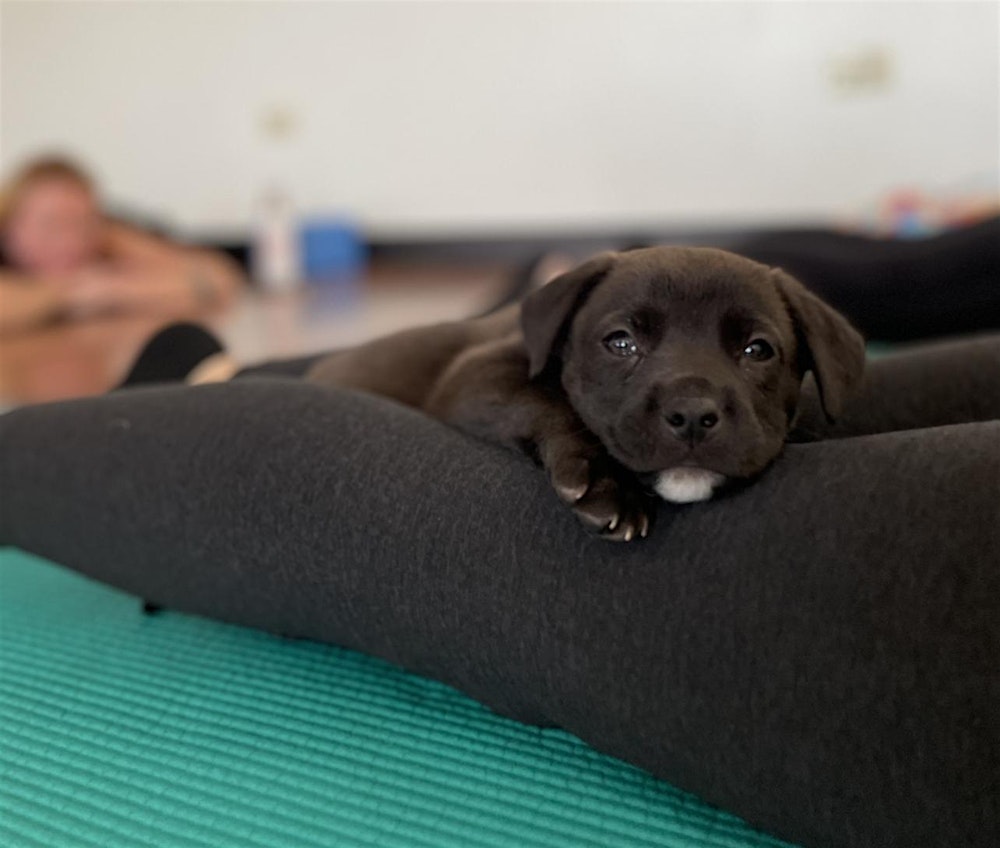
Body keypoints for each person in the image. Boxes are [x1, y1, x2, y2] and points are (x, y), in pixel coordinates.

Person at [0, 156, 244, 335]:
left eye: (84, 224)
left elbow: (219, 276)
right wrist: (70, 292)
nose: (70, 240)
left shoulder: (111, 237)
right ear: (10, 228)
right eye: (51, 224)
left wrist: (110, 288)